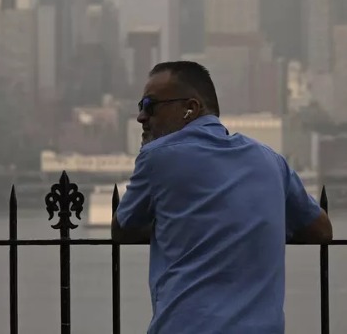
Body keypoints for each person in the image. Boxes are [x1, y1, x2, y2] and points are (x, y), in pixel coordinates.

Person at [113, 60, 332, 333]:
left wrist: (174, 223)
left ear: (190, 108)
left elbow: (122, 229)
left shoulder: (158, 157)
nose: (142, 117)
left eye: (150, 105)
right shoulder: (270, 160)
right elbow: (321, 231)